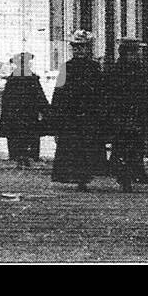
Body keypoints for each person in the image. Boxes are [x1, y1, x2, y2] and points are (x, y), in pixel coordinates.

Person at [51, 31, 109, 190]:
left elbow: (101, 91)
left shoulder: (95, 68)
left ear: (88, 49)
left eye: (82, 47)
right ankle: (77, 177)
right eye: (75, 48)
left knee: (87, 148)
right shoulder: (66, 68)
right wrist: (56, 117)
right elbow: (58, 93)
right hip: (71, 116)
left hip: (89, 115)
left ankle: (84, 177)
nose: (78, 50)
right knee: (73, 147)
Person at [107, 39, 148, 191]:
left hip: (138, 113)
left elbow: (146, 91)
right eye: (133, 52)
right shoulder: (117, 70)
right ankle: (124, 176)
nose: (136, 55)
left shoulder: (141, 69)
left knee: (137, 144)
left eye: (137, 52)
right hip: (122, 114)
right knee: (122, 146)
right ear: (125, 53)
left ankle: (136, 171)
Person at [0, 51, 49, 169]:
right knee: (29, 135)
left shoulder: (12, 79)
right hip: (29, 115)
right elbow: (40, 97)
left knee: (17, 136)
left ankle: (19, 157)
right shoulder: (32, 78)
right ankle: (27, 157)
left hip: (16, 116)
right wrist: (45, 110)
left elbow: (6, 100)